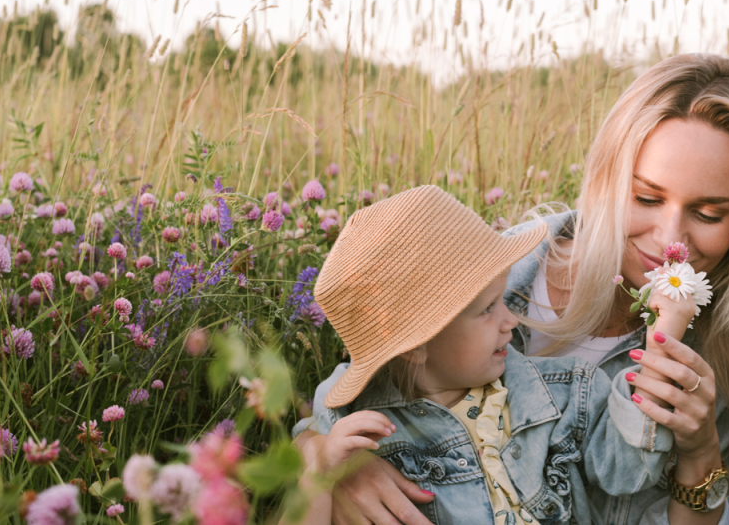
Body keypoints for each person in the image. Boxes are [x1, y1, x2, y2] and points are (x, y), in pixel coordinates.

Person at [296, 54, 729, 524]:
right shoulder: (488, 273)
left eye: (707, 213)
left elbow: (630, 479)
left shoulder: (723, 352)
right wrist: (324, 464)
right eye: (645, 197)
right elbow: (351, 393)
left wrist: (699, 455)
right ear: (606, 179)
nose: (671, 242)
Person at [286, 184, 685, 525]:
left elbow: (629, 469)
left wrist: (664, 336)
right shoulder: (355, 423)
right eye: (487, 309)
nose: (511, 320)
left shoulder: (561, 393)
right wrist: (317, 478)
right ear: (417, 346)